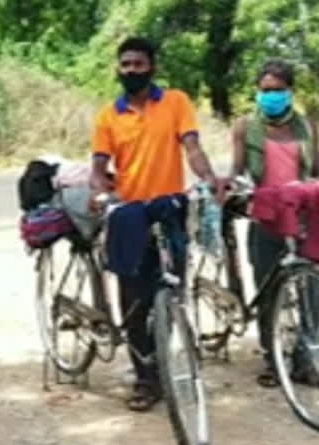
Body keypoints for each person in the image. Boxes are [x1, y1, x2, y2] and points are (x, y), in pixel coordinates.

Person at [91, 37, 222, 411]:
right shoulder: (108, 116)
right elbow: (99, 170)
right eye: (126, 64)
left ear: (153, 67)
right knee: (134, 300)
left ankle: (173, 358)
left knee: (173, 289)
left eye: (139, 64)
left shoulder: (176, 102)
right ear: (119, 69)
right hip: (130, 214)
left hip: (169, 210)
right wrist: (101, 193)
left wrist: (209, 177)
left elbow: (192, 147)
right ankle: (145, 378)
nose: (131, 70)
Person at [230, 59, 319, 387]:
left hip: (304, 215)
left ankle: (304, 357)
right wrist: (234, 189)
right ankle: (273, 359)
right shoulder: (246, 127)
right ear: (258, 92)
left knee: (314, 284)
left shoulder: (307, 127)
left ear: (290, 92)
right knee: (268, 287)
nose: (271, 96)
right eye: (266, 90)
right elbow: (239, 170)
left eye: (278, 90)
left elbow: (314, 173)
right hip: (267, 216)